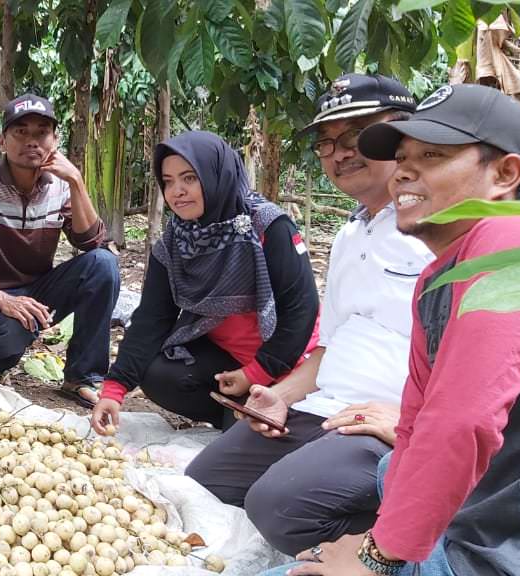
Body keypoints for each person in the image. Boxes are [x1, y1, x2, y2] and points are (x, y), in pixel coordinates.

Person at [269, 84, 520, 576]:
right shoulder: (441, 273)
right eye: (402, 156)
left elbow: (461, 422)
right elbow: (418, 422)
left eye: (432, 155)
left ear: (505, 174)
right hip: (482, 521)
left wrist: (374, 559)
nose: (404, 170)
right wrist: (380, 541)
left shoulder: (515, 244)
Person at [184, 74, 434, 554]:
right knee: (204, 482)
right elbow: (329, 345)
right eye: (327, 143)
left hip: (388, 424)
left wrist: (409, 420)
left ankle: (399, 546)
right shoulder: (350, 236)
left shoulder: (439, 232)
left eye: (357, 135)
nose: (340, 153)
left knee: (277, 506)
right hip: (324, 411)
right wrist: (277, 396)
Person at [90, 131, 319, 432]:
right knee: (160, 374)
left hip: (290, 361)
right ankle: (233, 415)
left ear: (216, 176)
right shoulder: (176, 242)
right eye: (168, 181)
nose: (177, 191)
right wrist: (114, 389)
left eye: (189, 178)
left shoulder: (268, 227)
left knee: (269, 438)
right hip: (230, 359)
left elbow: (301, 311)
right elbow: (152, 318)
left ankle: (253, 412)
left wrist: (256, 372)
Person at [0, 93, 119, 407]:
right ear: (2, 140)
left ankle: (82, 376)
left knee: (103, 265)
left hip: (36, 292)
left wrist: (76, 181)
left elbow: (91, 243)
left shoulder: (60, 184)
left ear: (54, 140)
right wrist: (4, 300)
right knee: (1, 351)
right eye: (20, 132)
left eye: (41, 133)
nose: (31, 141)